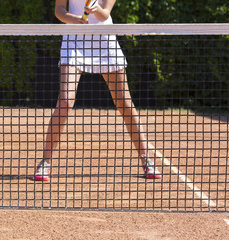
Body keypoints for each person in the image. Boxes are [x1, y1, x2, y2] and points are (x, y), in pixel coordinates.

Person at [34, 0, 162, 181]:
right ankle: (45, 163)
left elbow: (105, 14)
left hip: (104, 39)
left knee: (124, 103)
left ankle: (146, 160)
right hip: (74, 40)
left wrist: (96, 10)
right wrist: (75, 18)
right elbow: (59, 10)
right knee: (65, 102)